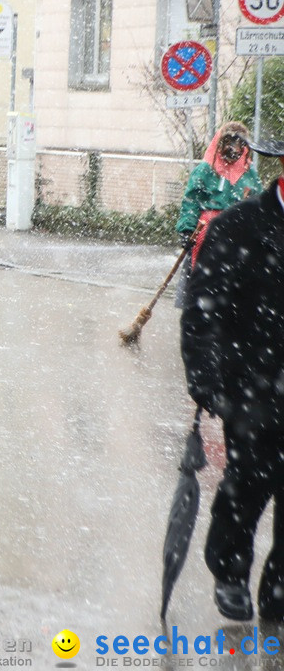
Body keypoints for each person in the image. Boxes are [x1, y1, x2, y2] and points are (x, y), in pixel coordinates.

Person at [181, 138, 284, 622]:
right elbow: (204, 314)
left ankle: (279, 591)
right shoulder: (238, 226)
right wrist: (207, 381)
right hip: (253, 389)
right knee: (246, 487)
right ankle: (230, 570)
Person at [175, 123, 262, 294]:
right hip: (206, 233)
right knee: (204, 283)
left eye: (237, 144)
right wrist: (186, 230)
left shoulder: (248, 172)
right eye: (228, 142)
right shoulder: (206, 170)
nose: (232, 148)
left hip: (238, 236)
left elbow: (258, 205)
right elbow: (191, 201)